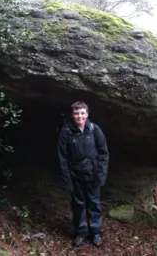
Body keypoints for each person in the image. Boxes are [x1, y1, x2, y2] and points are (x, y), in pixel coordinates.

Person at [57, 101, 109, 247]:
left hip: (92, 173)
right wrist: (66, 178)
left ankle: (96, 232)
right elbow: (62, 156)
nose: (79, 116)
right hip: (75, 174)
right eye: (76, 113)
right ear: (72, 115)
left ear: (87, 114)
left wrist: (101, 174)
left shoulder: (94, 129)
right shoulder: (66, 131)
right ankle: (81, 232)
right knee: (78, 204)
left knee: (94, 202)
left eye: (82, 113)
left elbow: (104, 153)